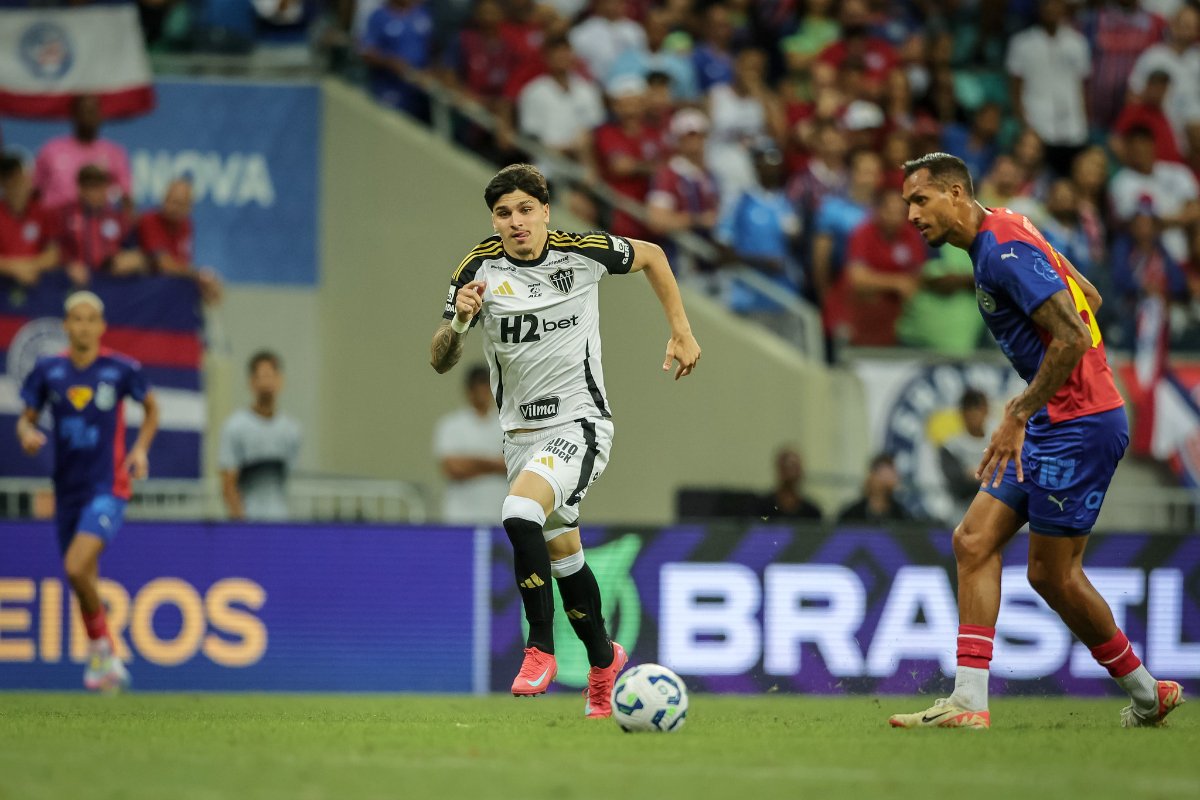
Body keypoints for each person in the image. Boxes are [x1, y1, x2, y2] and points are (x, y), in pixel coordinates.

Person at [891, 152, 1184, 730]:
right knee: (973, 541)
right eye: (907, 204)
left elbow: (1073, 333)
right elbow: (1089, 297)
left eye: (920, 200)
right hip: (1057, 418)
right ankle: (968, 701)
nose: (912, 215)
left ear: (955, 193)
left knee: (1053, 575)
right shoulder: (1009, 228)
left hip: (1079, 424)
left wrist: (1021, 410)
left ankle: (1148, 694)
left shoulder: (1002, 251)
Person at [429, 163, 700, 717]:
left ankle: (539, 648)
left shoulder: (580, 253)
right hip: (519, 439)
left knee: (519, 510)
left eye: (526, 209)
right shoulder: (477, 270)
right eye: (504, 213)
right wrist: (458, 324)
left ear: (546, 212)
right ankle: (604, 663)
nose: (516, 221)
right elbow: (439, 360)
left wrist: (681, 329)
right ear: (494, 221)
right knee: (564, 556)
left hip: (581, 424)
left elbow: (652, 254)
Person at [17, 291, 159, 691]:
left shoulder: (120, 369)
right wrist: (27, 433)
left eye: (90, 319)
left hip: (108, 486)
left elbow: (152, 408)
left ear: (101, 326)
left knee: (77, 567)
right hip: (67, 490)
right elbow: (26, 419)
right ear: (66, 325)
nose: (83, 326)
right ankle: (105, 662)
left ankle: (102, 652)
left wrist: (141, 450)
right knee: (84, 581)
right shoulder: (48, 371)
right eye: (76, 319)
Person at [1005, 0, 1091, 176]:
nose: (1052, 8)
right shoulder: (1021, 43)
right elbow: (1015, 89)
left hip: (1073, 128)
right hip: (1037, 126)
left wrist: (1085, 121)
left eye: (1056, 4)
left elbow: (1083, 87)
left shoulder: (1077, 43)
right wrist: (1024, 125)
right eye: (1047, 4)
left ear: (1063, 8)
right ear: (1039, 8)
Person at [218, 351, 302, 521]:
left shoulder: (292, 430)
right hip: (249, 523)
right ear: (251, 382)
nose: (267, 383)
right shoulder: (234, 427)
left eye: (271, 376)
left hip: (281, 522)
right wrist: (242, 523)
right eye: (262, 377)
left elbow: (287, 477)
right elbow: (228, 484)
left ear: (280, 381)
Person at [433, 364, 508, 525]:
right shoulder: (451, 425)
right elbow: (453, 468)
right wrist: (494, 465)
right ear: (469, 390)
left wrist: (472, 464)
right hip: (460, 517)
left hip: (499, 516)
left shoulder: (506, 425)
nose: (483, 392)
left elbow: (513, 465)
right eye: (479, 386)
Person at [33, 94, 133, 211]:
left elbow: (126, 198)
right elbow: (35, 191)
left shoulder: (114, 153)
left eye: (92, 111)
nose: (87, 117)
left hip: (97, 219)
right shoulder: (51, 150)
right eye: (83, 111)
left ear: (100, 115)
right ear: (74, 114)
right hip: (54, 218)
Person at [136, 178, 223, 303]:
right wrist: (199, 275)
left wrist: (204, 282)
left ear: (189, 207)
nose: (174, 208)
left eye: (180, 204)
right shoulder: (149, 221)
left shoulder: (186, 225)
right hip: (144, 288)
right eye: (171, 201)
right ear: (163, 200)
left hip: (169, 288)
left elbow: (181, 264)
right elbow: (164, 264)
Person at [57, 165, 144, 285]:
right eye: (90, 187)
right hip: (77, 283)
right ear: (80, 189)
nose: (95, 193)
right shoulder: (65, 216)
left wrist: (131, 259)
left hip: (113, 282)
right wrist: (68, 265)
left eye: (100, 187)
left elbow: (132, 250)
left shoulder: (119, 218)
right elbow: (55, 250)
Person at [0, 154, 59, 287]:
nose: (15, 184)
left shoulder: (43, 212)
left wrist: (30, 266)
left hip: (37, 284)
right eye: (9, 179)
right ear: (2, 182)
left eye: (18, 178)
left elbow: (53, 254)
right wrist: (15, 269)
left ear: (28, 178)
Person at [938, 388, 992, 524]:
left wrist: (972, 474)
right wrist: (987, 473)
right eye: (969, 409)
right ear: (962, 413)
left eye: (977, 408)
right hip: (963, 516)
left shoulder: (999, 441)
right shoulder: (950, 446)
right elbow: (958, 485)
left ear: (986, 410)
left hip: (996, 513)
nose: (974, 415)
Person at [836, 452, 911, 524]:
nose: (894, 477)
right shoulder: (851, 515)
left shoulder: (902, 516)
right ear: (871, 477)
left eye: (891, 474)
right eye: (881, 474)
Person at [758, 446, 822, 521]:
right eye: (787, 467)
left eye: (794, 467)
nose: (791, 472)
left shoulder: (811, 512)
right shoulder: (763, 508)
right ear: (779, 469)